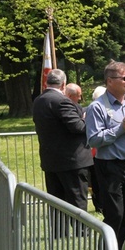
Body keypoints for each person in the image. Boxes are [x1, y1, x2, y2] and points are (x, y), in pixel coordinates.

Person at [86, 62, 125, 250]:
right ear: (110, 81)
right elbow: (94, 139)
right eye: (124, 78)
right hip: (109, 167)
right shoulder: (97, 107)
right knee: (115, 215)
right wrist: (121, 129)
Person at [33, 70, 93, 218]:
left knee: (56, 202)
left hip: (51, 160)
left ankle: (58, 234)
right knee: (77, 200)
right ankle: (81, 234)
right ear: (64, 84)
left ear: (47, 82)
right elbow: (78, 127)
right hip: (72, 161)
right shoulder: (62, 101)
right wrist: (88, 120)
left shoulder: (38, 100)